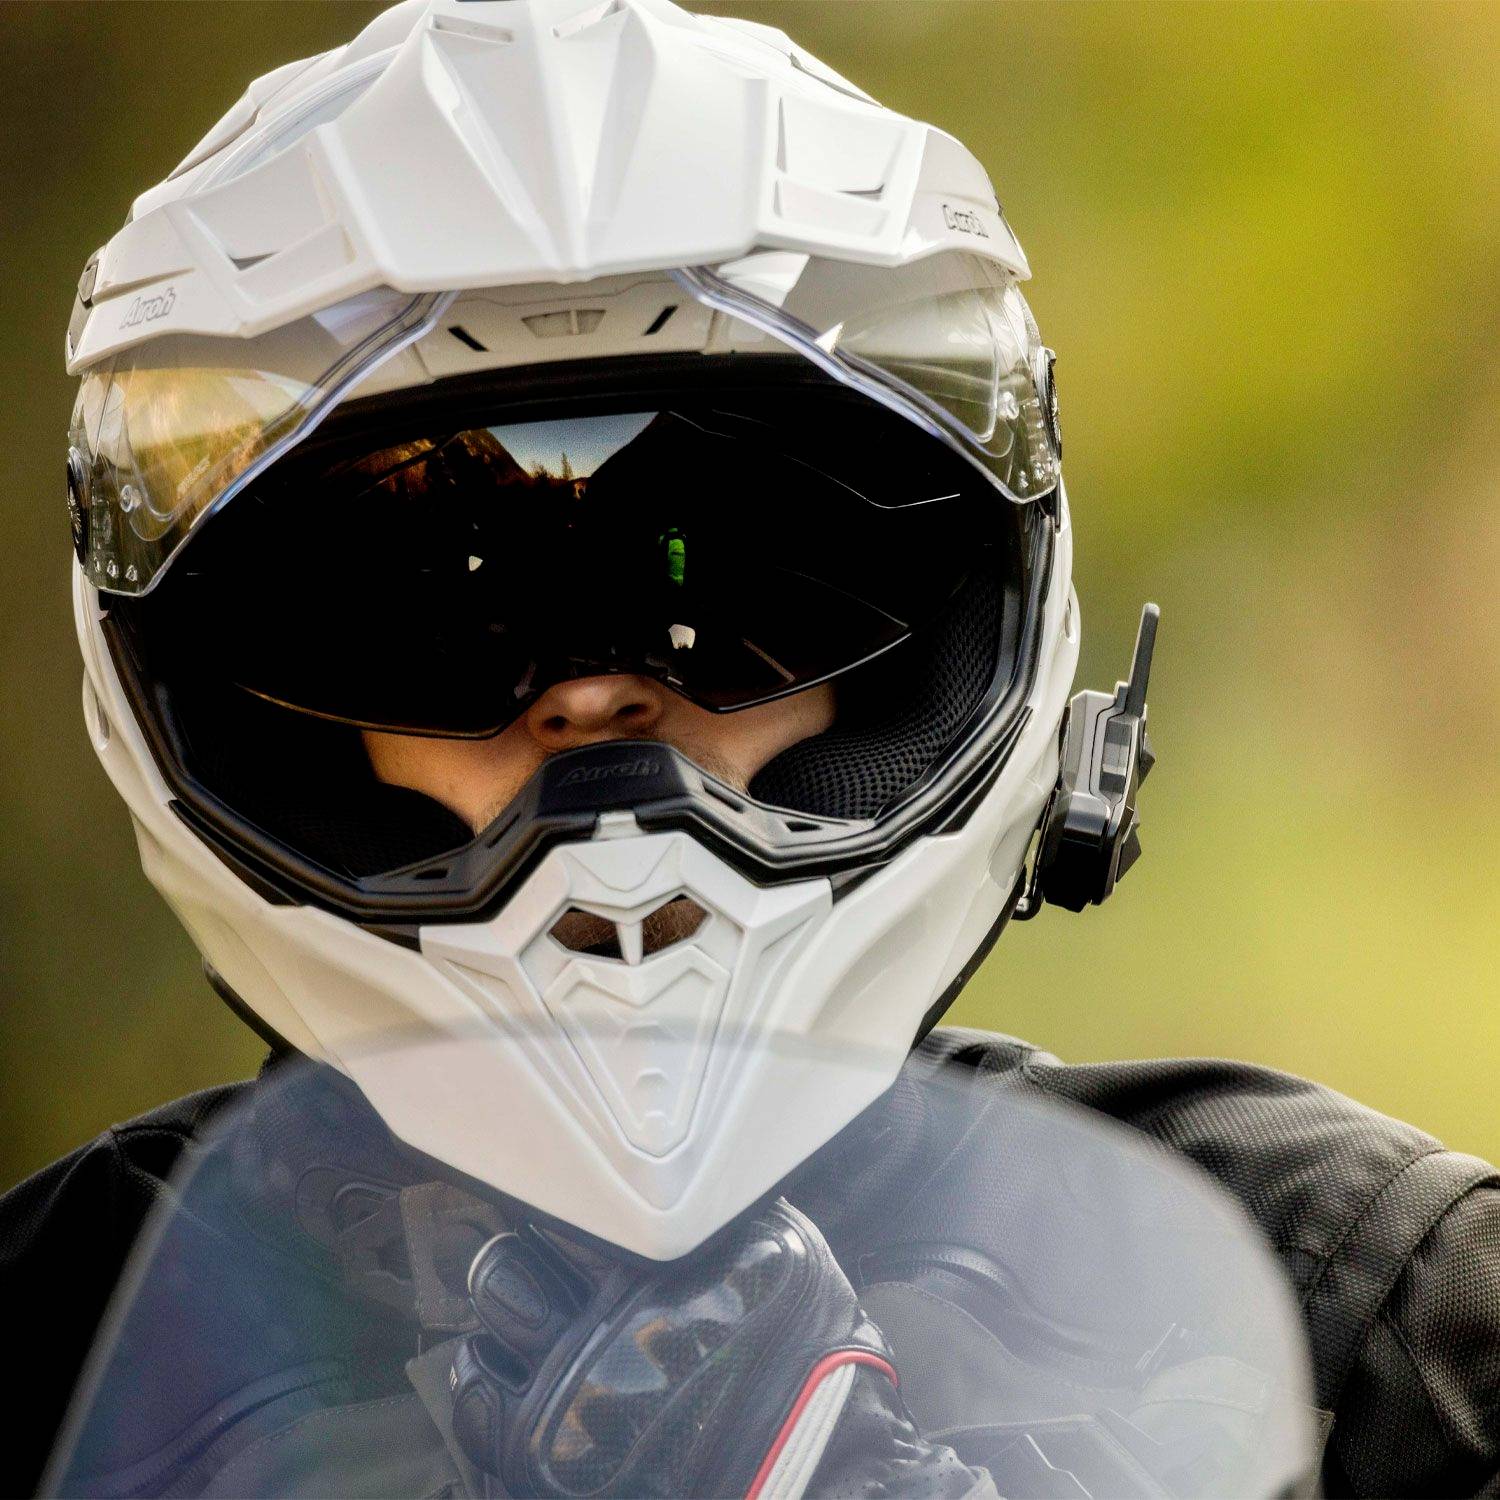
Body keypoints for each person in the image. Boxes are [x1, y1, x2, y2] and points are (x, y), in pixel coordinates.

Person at [6, 1, 1498, 1494]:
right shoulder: (56, 1345)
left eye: (726, 587)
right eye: (445, 609)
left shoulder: (1366, 1314)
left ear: (935, 632)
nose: (594, 704)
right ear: (262, 717)